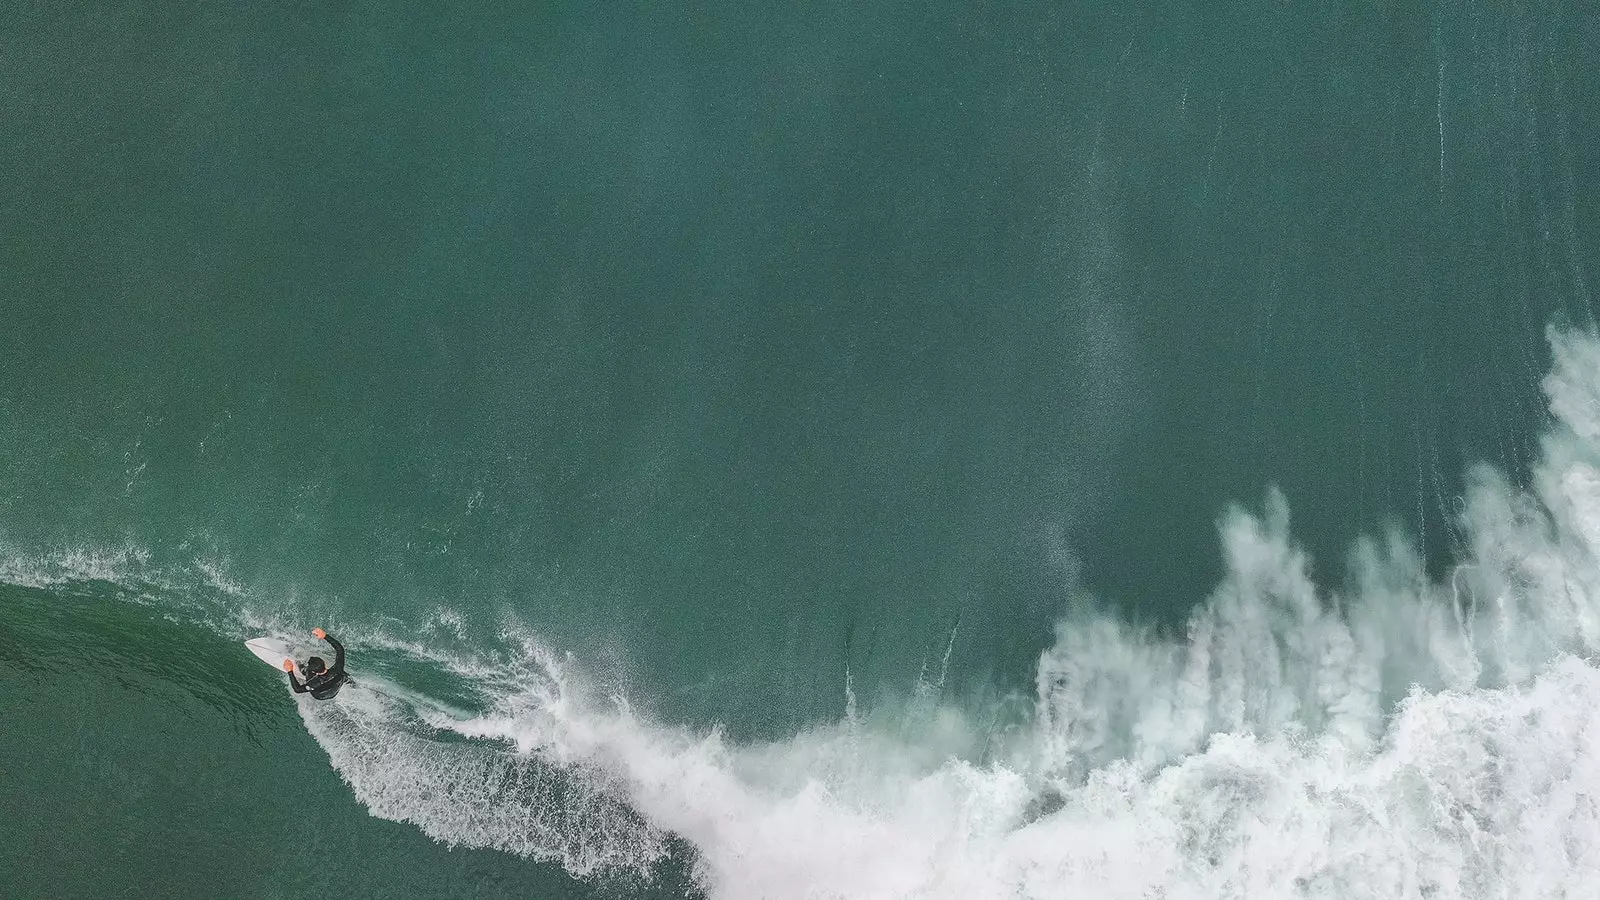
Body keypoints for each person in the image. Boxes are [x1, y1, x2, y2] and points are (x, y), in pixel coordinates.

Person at [282, 627, 348, 700]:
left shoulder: (314, 683)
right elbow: (340, 649)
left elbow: (298, 689)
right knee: (343, 674)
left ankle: (301, 666)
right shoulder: (337, 669)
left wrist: (290, 670)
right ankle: (352, 683)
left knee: (306, 671)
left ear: (314, 672)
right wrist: (325, 636)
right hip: (336, 688)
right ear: (324, 663)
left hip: (320, 696)